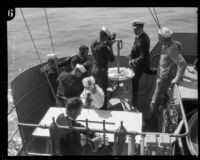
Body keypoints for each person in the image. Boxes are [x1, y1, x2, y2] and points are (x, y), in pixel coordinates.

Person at [146, 27, 187, 127]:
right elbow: (178, 45)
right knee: (160, 97)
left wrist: (176, 79)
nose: (157, 37)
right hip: (161, 75)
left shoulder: (171, 49)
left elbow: (183, 64)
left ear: (161, 37)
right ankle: (159, 111)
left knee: (154, 100)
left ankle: (149, 119)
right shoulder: (168, 44)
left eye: (158, 35)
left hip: (164, 79)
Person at [128, 20, 157, 108]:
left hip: (141, 64)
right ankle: (157, 71)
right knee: (148, 72)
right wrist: (131, 58)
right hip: (138, 62)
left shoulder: (144, 39)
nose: (134, 30)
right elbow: (134, 48)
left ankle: (134, 104)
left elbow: (143, 56)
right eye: (133, 29)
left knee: (134, 82)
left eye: (136, 29)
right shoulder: (138, 36)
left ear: (140, 28)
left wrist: (133, 61)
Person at [91, 26, 115, 110]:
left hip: (94, 69)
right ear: (105, 37)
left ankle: (96, 106)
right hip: (101, 71)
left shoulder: (93, 43)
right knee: (102, 92)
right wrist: (110, 46)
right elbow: (112, 59)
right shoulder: (104, 47)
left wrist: (106, 44)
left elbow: (99, 48)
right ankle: (103, 109)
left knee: (95, 90)